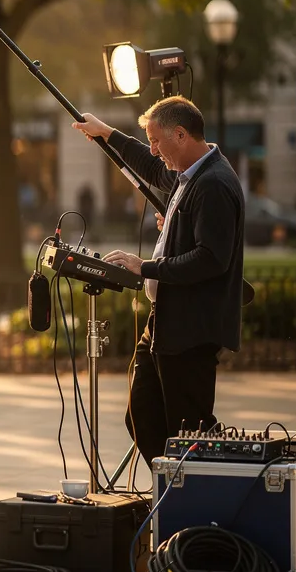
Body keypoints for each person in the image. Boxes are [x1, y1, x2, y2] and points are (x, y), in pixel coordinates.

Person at [72, 96, 244, 464]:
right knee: (143, 416)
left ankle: (196, 489)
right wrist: (106, 134)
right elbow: (151, 169)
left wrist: (145, 267)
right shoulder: (190, 174)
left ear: (180, 135)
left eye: (155, 140)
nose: (153, 149)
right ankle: (171, 486)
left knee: (187, 429)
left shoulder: (213, 183)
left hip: (191, 328)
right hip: (166, 321)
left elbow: (211, 259)